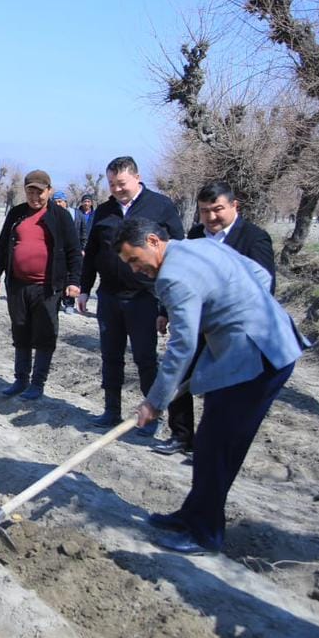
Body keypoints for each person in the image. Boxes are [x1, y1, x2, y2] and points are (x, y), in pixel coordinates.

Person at [115, 217, 306, 555]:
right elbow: (260, 276)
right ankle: (193, 514)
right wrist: (240, 309)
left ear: (153, 241)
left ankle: (204, 533)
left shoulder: (172, 277)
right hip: (272, 340)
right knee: (209, 443)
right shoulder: (201, 245)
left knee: (217, 447)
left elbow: (182, 347)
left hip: (256, 359)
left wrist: (154, 402)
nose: (135, 269)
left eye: (134, 259)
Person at [154, 181, 276, 457]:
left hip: (232, 331)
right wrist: (164, 311)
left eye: (217, 209)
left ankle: (212, 446)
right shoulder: (196, 235)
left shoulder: (254, 238)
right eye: (204, 210)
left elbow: (265, 286)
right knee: (180, 374)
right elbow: (182, 275)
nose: (210, 217)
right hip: (197, 323)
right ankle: (181, 436)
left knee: (221, 389)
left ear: (234, 206)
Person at [77, 156, 184, 433]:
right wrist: (84, 288)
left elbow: (177, 251)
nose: (116, 189)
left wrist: (166, 305)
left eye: (121, 183)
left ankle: (152, 417)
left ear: (137, 177)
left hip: (144, 297)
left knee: (145, 358)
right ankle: (111, 410)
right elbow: (92, 252)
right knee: (110, 356)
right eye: (112, 184)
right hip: (109, 296)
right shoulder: (104, 211)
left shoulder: (160, 206)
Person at [0, 170, 82, 400]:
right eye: (30, 192)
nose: (35, 197)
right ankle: (21, 379)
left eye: (39, 192)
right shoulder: (17, 213)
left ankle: (37, 383)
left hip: (47, 287)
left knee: (45, 334)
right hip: (18, 285)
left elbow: (73, 251)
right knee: (20, 330)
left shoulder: (60, 216)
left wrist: (74, 281)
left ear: (49, 191)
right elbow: (2, 245)